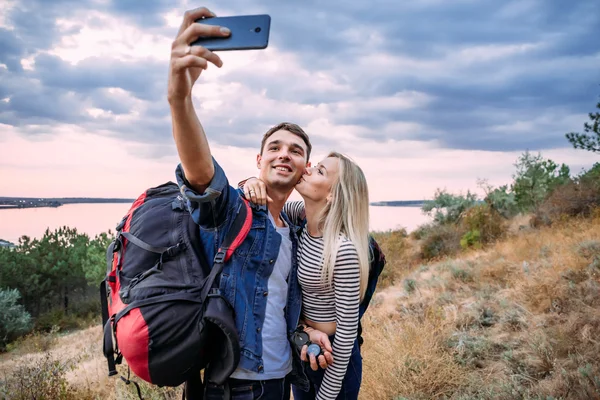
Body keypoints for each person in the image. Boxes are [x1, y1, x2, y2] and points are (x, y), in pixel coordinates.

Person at [167, 7, 333, 400]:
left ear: (305, 168)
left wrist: (305, 333)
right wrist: (179, 97)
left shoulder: (292, 228)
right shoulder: (234, 212)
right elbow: (201, 174)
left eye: (295, 151)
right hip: (234, 385)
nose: (283, 154)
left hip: (282, 380)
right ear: (259, 160)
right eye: (273, 147)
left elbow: (277, 306)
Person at [241, 151, 371, 400]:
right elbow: (266, 202)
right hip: (303, 347)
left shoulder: (342, 250)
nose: (308, 169)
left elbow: (346, 332)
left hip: (334, 359)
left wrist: (327, 394)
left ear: (332, 195)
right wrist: (249, 183)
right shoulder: (295, 219)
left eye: (320, 171)